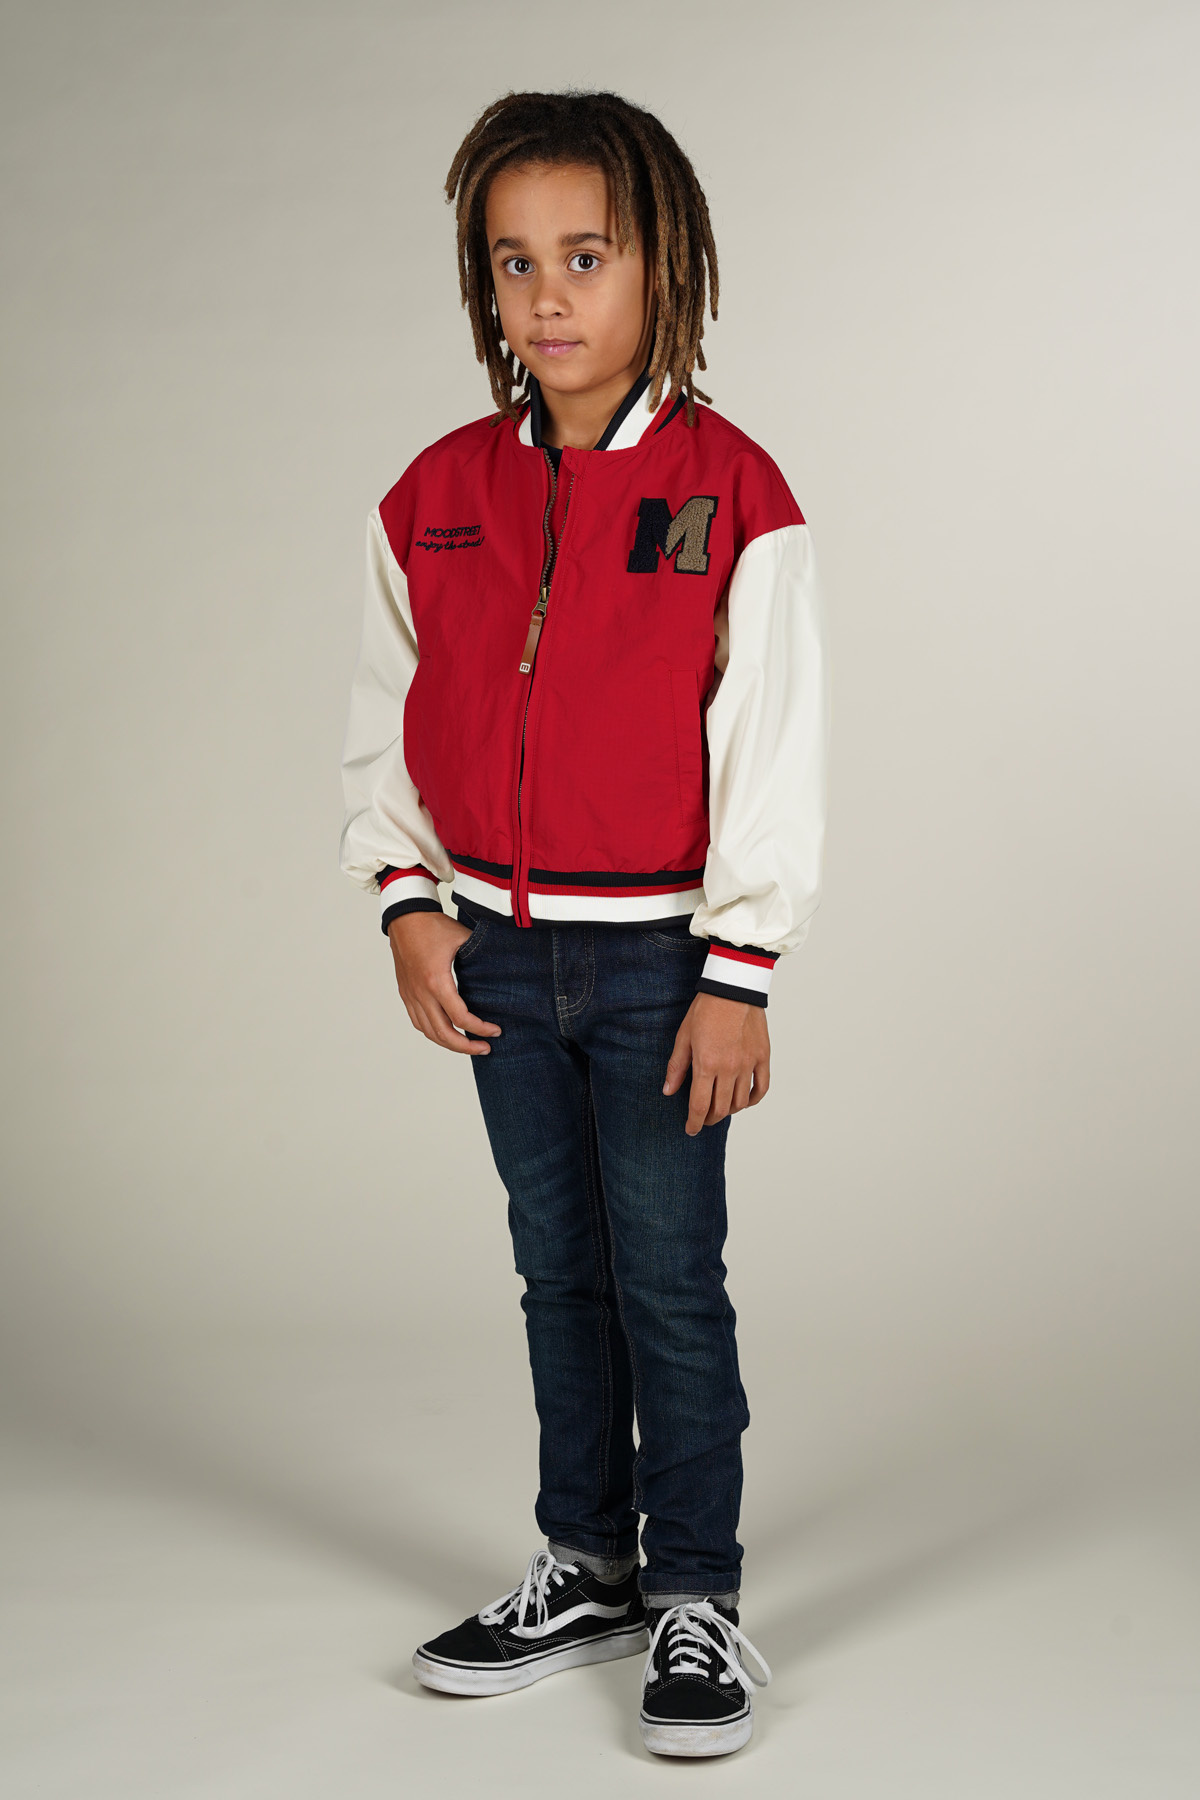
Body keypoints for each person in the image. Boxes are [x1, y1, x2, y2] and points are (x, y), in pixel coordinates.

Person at [339, 87, 829, 1759]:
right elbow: (387, 715)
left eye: (587, 256)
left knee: (668, 1281)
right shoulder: (435, 494)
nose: (547, 297)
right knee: (558, 1273)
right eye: (514, 261)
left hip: (661, 968)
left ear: (661, 265)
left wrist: (740, 972)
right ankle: (588, 1564)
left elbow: (772, 749)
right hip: (494, 953)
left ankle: (697, 1593)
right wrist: (408, 905)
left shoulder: (732, 491)